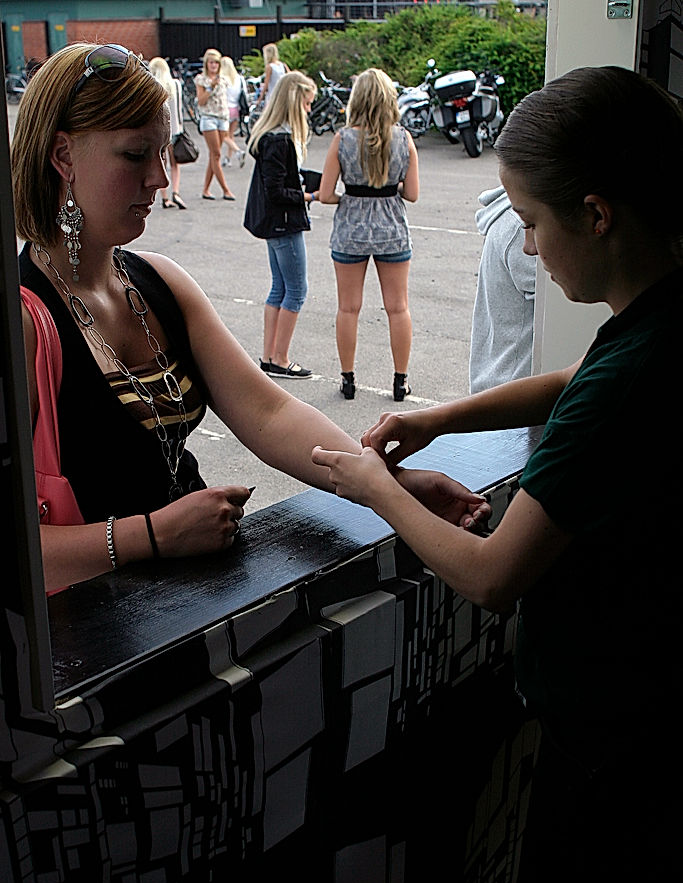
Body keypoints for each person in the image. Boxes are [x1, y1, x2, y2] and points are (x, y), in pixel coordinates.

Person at [311, 66, 683, 883]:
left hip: (606, 742)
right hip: (657, 720)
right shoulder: (659, 315)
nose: (527, 243)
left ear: (594, 213)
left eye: (531, 218)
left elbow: (489, 574)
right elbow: (578, 377)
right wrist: (448, 413)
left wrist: (370, 487)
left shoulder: (626, 386)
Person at [11, 43, 480, 594]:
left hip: (189, 608)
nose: (159, 179)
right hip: (100, 646)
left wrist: (388, 485)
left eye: (163, 154)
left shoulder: (158, 281)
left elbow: (268, 412)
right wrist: (153, 535)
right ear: (63, 156)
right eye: (136, 155)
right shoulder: (22, 320)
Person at [318, 68, 419, 402]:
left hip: (351, 229)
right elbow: (413, 193)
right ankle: (399, 381)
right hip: (392, 229)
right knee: (398, 307)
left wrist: (351, 195)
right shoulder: (403, 139)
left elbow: (325, 194)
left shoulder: (342, 139)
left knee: (348, 308)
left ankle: (348, 381)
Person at [244, 72, 317, 379]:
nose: (309, 110)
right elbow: (276, 192)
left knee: (280, 287)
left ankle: (270, 356)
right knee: (296, 290)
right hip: (283, 225)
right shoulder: (281, 139)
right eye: (307, 103)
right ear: (294, 100)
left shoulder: (270, 135)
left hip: (273, 225)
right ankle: (281, 358)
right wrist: (308, 195)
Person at [469, 185, 536, 393]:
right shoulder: (521, 227)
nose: (530, 247)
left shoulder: (518, 219)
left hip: (502, 388)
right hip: (511, 397)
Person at [194, 47, 235, 200]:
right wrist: (211, 87)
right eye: (211, 63)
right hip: (209, 117)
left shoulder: (223, 79)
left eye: (216, 63)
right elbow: (201, 101)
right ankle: (225, 189)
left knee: (214, 156)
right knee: (216, 154)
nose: (214, 66)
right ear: (207, 64)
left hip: (222, 118)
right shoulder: (201, 79)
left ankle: (206, 189)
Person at [148, 57, 187, 210]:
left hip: (159, 131)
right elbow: (179, 108)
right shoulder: (175, 84)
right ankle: (176, 193)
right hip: (175, 129)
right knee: (175, 164)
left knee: (161, 164)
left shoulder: (153, 86)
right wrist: (180, 127)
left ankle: (164, 197)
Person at [220, 55, 247, 170]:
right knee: (230, 135)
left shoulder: (222, 79)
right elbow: (244, 92)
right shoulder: (239, 79)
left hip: (225, 109)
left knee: (223, 136)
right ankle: (228, 158)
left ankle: (238, 152)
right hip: (236, 109)